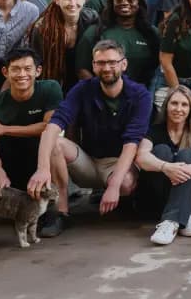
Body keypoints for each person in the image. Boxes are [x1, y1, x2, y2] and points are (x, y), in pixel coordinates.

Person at [29, 40, 152, 222]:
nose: (107, 68)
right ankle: (60, 212)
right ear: (93, 66)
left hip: (118, 162)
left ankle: (124, 198)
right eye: (101, 63)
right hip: (88, 161)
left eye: (112, 62)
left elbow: (132, 142)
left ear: (123, 64)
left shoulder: (140, 95)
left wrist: (114, 186)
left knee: (124, 184)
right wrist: (42, 168)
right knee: (55, 141)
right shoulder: (82, 89)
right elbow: (54, 125)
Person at [0, 48, 67, 238]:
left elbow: (50, 126)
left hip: (39, 159)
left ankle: (57, 211)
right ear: (6, 72)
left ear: (38, 71)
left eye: (27, 68)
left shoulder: (50, 89)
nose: (22, 74)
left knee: (56, 144)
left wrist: (6, 129)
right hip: (11, 161)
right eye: (16, 69)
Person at [136, 85, 191, 245]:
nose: (178, 109)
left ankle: (170, 221)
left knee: (187, 155)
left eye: (184, 104)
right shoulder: (154, 131)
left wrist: (190, 169)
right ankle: (182, 219)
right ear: (166, 106)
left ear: (190, 109)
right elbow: (141, 156)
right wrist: (166, 167)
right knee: (161, 151)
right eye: (174, 103)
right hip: (156, 200)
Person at [76, 0, 160, 86]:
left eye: (130, 0)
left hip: (141, 95)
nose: (124, 3)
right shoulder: (95, 32)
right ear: (112, 3)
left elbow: (159, 69)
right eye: (119, 0)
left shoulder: (152, 34)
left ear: (139, 4)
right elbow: (82, 69)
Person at [29, 0, 97, 91]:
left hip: (84, 82)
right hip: (53, 83)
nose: (72, 3)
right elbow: (36, 63)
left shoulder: (92, 20)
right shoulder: (43, 28)